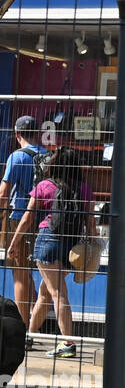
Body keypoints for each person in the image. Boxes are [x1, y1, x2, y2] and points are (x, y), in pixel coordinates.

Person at [8, 147, 92, 359]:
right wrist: (90, 247)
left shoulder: (44, 186)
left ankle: (68, 343)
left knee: (57, 294)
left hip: (47, 242)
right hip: (71, 248)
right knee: (46, 293)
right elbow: (91, 224)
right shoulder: (84, 189)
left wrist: (14, 243)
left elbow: (27, 218)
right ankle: (28, 336)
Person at [0, 115, 48, 327]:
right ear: (37, 133)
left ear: (17, 134)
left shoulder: (16, 157)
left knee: (19, 273)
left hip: (19, 218)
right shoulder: (49, 155)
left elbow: (4, 193)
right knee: (31, 269)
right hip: (44, 221)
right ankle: (33, 313)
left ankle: (21, 327)